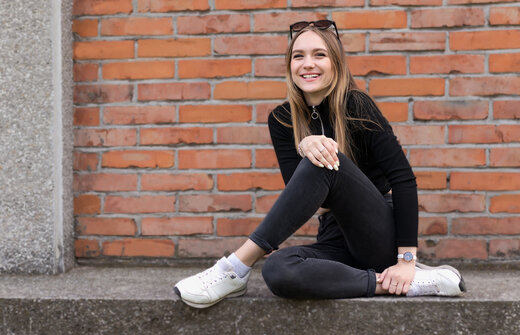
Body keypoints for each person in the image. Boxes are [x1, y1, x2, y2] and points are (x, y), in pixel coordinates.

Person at [174, 20, 466, 308]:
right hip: (334, 238)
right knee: (277, 269)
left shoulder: (357, 106)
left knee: (324, 158)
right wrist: (304, 145)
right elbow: (309, 201)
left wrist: (406, 260)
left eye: (319, 55)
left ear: (336, 63)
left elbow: (404, 180)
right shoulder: (282, 119)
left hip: (378, 234)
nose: (307, 64)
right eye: (298, 56)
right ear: (290, 66)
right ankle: (395, 284)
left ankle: (235, 268)